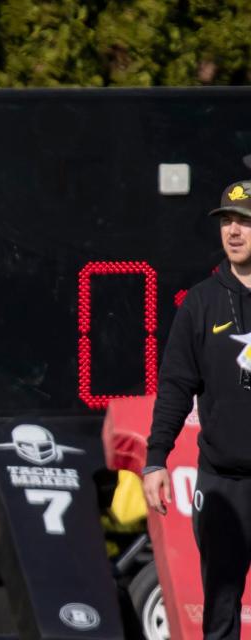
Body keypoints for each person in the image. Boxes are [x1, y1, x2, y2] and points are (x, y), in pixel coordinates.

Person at [144, 179, 251, 640]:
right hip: (223, 482)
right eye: (227, 220)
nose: (234, 231)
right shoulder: (201, 304)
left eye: (245, 221)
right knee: (221, 610)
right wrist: (155, 459)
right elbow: (174, 387)